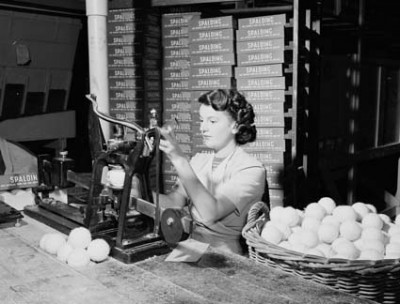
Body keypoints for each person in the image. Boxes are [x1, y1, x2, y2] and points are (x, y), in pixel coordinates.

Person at [158, 89, 267, 255]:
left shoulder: (251, 170)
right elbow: (174, 202)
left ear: (235, 126)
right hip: (190, 246)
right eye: (202, 120)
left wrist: (179, 160)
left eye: (212, 121)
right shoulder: (199, 160)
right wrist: (135, 191)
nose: (203, 128)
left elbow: (211, 212)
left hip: (225, 257)